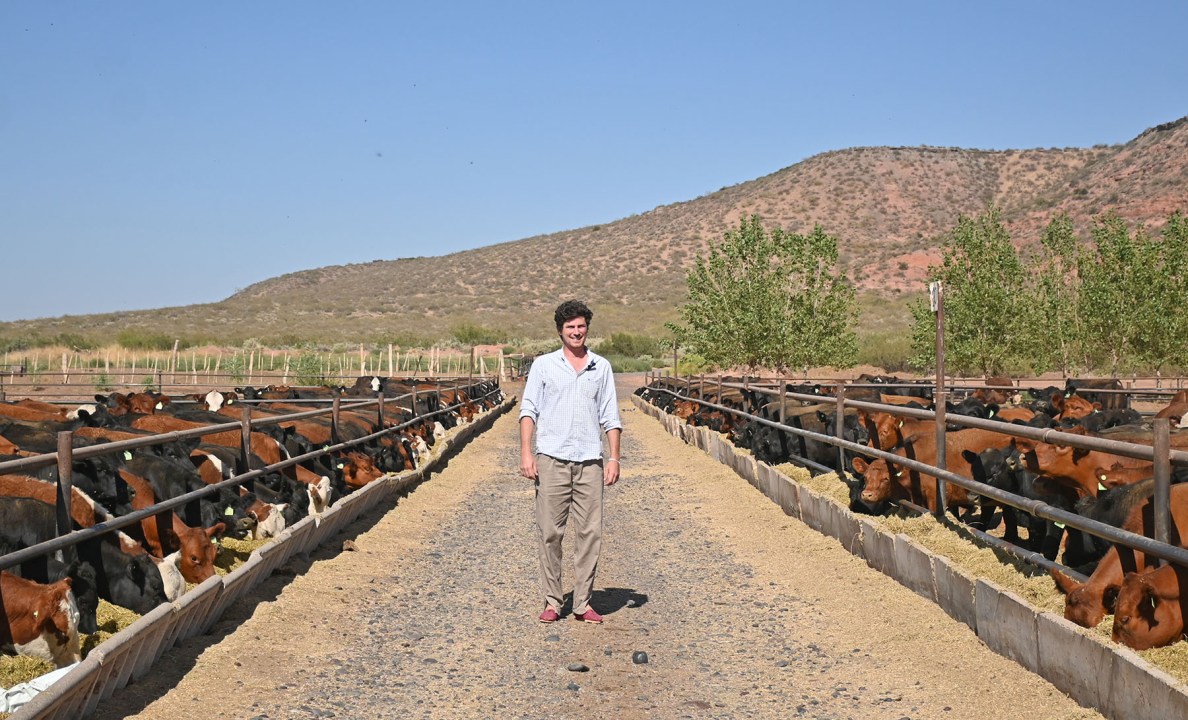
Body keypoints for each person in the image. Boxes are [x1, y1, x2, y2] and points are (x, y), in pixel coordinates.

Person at [519, 300, 621, 624]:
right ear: (560, 331)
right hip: (551, 459)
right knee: (550, 532)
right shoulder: (544, 366)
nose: (576, 332)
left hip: (590, 460)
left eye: (580, 326)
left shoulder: (600, 367)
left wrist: (614, 457)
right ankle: (552, 600)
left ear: (587, 328)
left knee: (591, 533)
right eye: (570, 328)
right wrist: (526, 452)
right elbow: (528, 410)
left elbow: (610, 415)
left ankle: (582, 603)